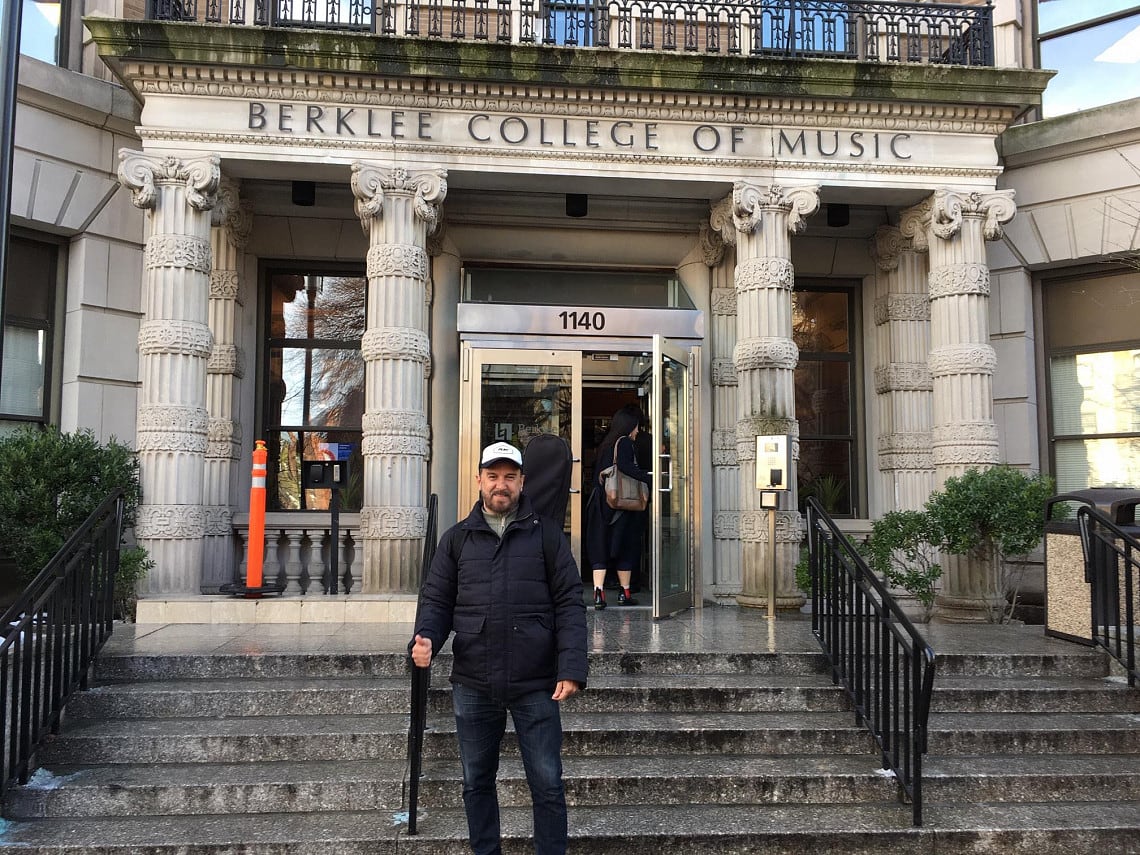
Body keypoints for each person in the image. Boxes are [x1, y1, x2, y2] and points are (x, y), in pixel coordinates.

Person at [410, 440, 588, 855]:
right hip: (474, 682)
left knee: (547, 783)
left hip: (537, 682)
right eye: (493, 476)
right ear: (479, 481)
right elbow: (436, 601)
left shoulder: (547, 537)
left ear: (523, 481)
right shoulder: (456, 540)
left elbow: (569, 604)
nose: (501, 485)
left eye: (510, 477)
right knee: (476, 781)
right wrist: (426, 640)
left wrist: (572, 667)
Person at [585, 405, 652, 609]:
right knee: (626, 546)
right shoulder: (623, 443)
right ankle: (625, 592)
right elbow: (625, 467)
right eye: (636, 426)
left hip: (601, 502)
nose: (638, 431)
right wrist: (649, 476)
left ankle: (598, 593)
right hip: (619, 505)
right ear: (629, 425)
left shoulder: (606, 444)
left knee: (600, 546)